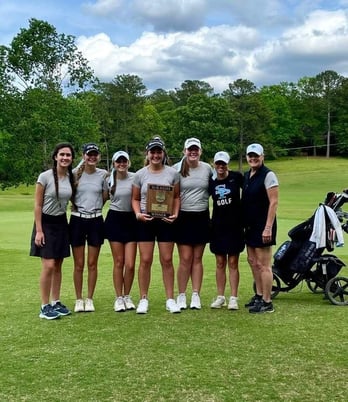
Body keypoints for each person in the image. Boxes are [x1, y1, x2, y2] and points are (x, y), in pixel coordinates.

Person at [131, 137, 181, 314]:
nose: (156, 155)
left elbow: (176, 197)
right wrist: (138, 214)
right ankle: (143, 298)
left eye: (159, 152)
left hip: (166, 221)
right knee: (145, 260)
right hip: (146, 220)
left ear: (163, 153)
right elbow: (135, 198)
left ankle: (170, 299)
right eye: (153, 152)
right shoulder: (140, 174)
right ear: (148, 154)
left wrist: (175, 214)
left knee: (167, 260)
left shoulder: (173, 173)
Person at [30, 142, 76, 320]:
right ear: (55, 157)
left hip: (61, 222)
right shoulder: (45, 176)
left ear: (72, 159)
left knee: (58, 265)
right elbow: (38, 205)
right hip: (46, 223)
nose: (65, 158)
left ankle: (56, 301)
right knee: (48, 265)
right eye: (62, 154)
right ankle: (44, 306)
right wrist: (39, 230)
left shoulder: (70, 177)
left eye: (68, 155)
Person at [174, 137, 213, 310]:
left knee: (197, 258)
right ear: (184, 151)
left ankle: (195, 294)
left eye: (196, 149)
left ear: (200, 151)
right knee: (185, 259)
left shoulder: (207, 169)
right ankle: (181, 295)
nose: (193, 152)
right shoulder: (176, 169)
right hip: (183, 217)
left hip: (201, 216)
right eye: (190, 149)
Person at [69, 143, 108, 313]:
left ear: (98, 157)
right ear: (83, 156)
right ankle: (79, 299)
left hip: (96, 220)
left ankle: (89, 298)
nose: (92, 157)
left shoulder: (104, 175)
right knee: (78, 264)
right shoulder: (74, 174)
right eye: (89, 154)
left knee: (92, 263)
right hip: (77, 220)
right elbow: (69, 194)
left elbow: (105, 196)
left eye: (95, 155)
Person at [242, 143, 279, 313]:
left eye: (256, 155)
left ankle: (267, 301)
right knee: (253, 262)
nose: (253, 158)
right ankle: (258, 295)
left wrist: (268, 227)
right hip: (249, 225)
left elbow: (274, 202)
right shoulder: (247, 175)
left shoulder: (268, 175)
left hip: (264, 225)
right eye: (250, 155)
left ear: (262, 156)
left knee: (264, 265)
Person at [209, 151, 245, 310]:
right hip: (218, 226)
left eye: (223, 164)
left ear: (227, 164)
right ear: (214, 165)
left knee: (233, 262)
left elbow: (249, 191)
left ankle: (233, 297)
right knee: (220, 262)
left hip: (235, 225)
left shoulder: (236, 177)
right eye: (218, 164)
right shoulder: (211, 181)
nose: (220, 167)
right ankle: (220, 296)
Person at [105, 150, 137, 312]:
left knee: (130, 264)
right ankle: (118, 298)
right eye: (119, 161)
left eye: (124, 161)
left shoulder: (135, 177)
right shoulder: (109, 180)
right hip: (115, 220)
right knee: (119, 262)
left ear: (128, 162)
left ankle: (127, 295)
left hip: (132, 220)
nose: (122, 164)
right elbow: (101, 197)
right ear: (114, 164)